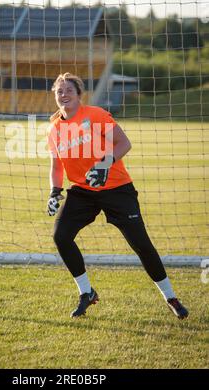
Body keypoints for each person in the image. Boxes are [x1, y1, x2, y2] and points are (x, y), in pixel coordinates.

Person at [47, 72, 189, 320]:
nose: (64, 94)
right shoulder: (55, 128)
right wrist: (55, 191)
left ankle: (171, 297)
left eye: (69, 90)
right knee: (61, 236)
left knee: (141, 244)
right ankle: (86, 293)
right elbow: (57, 166)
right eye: (59, 91)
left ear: (79, 94)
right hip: (83, 190)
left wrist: (104, 165)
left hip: (116, 188)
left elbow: (124, 143)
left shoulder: (95, 115)